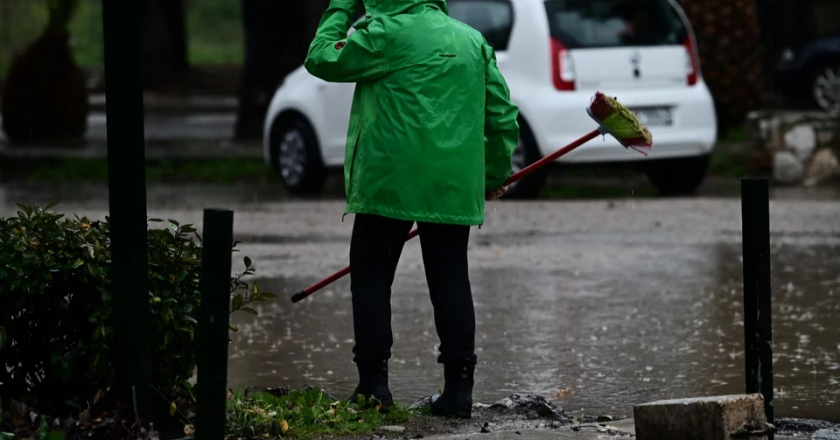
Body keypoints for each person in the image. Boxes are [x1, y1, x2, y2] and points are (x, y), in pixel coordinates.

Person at [304, 0, 519, 419]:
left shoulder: (383, 34)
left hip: (390, 181)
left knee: (371, 276)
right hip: (451, 183)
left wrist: (341, 7)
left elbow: (321, 57)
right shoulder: (472, 40)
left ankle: (373, 387)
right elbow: (501, 114)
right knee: (450, 278)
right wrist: (492, 175)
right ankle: (459, 393)